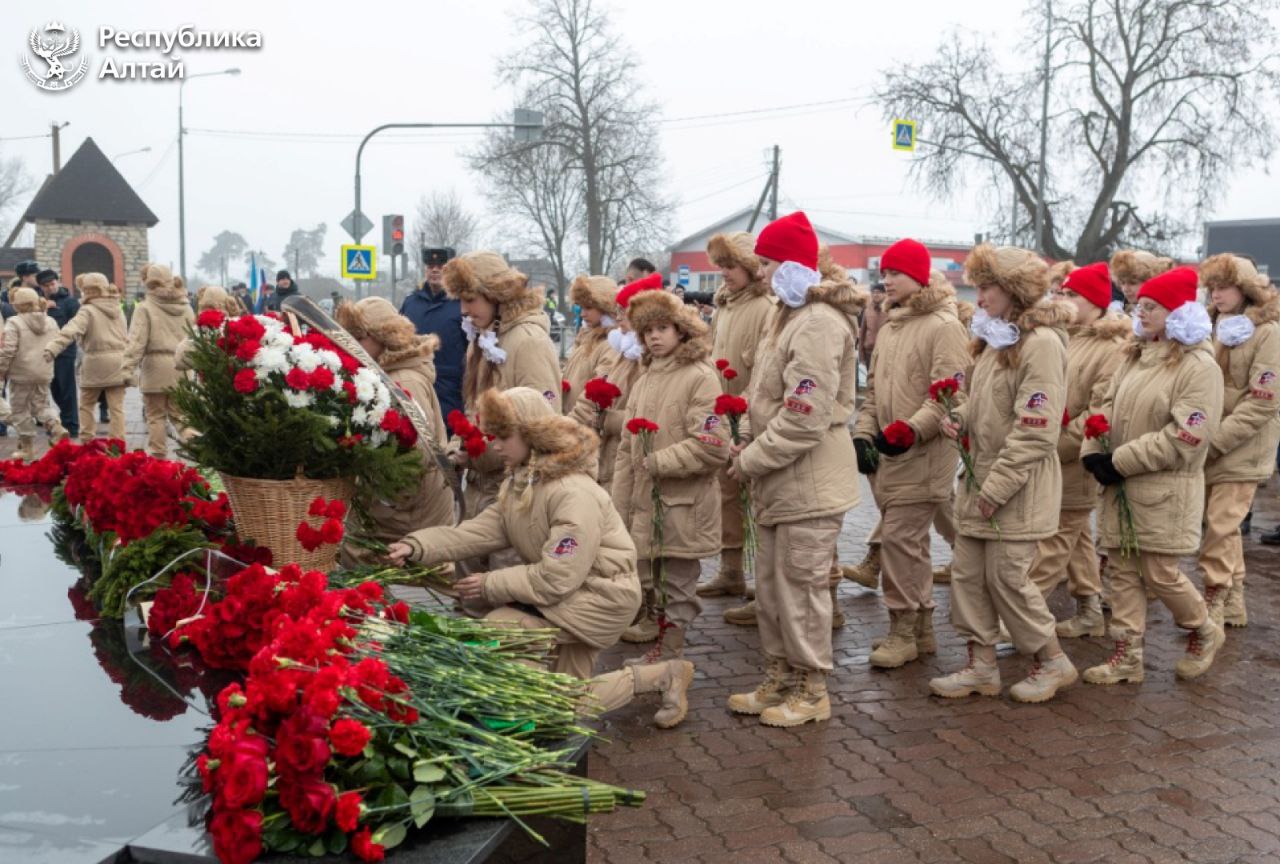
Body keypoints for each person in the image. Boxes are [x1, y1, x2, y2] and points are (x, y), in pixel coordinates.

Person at [386, 386, 695, 729]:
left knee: (503, 628)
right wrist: (416, 546)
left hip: (600, 598)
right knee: (563, 704)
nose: (496, 446)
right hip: (574, 594)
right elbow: (473, 533)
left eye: (504, 436)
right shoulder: (521, 483)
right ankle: (663, 676)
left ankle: (530, 699)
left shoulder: (572, 492)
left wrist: (490, 584)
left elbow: (557, 577)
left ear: (533, 434)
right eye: (493, 436)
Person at [726, 211, 861, 727]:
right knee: (773, 586)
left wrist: (751, 459)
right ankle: (779, 674)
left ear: (792, 265)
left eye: (766, 262)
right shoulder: (786, 315)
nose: (759, 272)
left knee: (802, 590)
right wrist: (742, 438)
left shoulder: (820, 323)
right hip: (779, 480)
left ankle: (812, 688)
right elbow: (762, 397)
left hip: (808, 481)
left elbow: (805, 418)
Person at [933, 244, 1078, 703]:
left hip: (1016, 485)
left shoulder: (1041, 345)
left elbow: (1036, 430)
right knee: (969, 575)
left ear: (1013, 290)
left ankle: (1052, 660)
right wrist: (960, 417)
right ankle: (980, 664)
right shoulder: (997, 341)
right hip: (981, 479)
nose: (979, 297)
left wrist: (995, 488)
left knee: (1009, 579)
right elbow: (986, 407)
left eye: (986, 286)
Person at [1080, 266, 1225, 684]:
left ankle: (1202, 629)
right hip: (1120, 484)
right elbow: (1104, 404)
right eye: (1138, 305)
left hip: (1163, 490)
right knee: (1122, 572)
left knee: (1160, 574)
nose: (1139, 313)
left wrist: (1119, 460)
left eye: (1151, 307)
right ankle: (1127, 656)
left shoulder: (1199, 366)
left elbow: (1187, 436)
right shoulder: (1135, 354)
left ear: (1177, 313)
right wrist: (1094, 447)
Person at [853, 238, 970, 669]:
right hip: (889, 453)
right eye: (884, 273)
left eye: (895, 273)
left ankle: (902, 628)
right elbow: (872, 395)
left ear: (919, 277)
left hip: (924, 453)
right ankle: (922, 629)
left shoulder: (945, 326)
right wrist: (864, 435)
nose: (886, 281)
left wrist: (911, 429)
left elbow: (950, 393)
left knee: (900, 540)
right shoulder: (892, 325)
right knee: (912, 544)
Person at [612, 289, 727, 664]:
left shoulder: (700, 377)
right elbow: (626, 452)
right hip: (646, 504)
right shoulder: (645, 379)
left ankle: (672, 657)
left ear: (681, 329)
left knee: (678, 586)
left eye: (663, 328)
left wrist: (660, 462)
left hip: (683, 504)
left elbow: (712, 444)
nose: (654, 337)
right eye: (647, 331)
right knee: (655, 582)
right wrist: (619, 504)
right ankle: (662, 649)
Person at [1023, 262, 1129, 638]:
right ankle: (1089, 610)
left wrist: (1053, 443)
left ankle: (1021, 613)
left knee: (1055, 537)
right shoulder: (1063, 336)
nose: (1063, 299)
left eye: (1073, 295)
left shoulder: (1113, 347)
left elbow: (1099, 409)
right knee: (1078, 533)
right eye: (1062, 293)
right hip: (1051, 450)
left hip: (1073, 456)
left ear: (1097, 303)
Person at [443, 251, 561, 570]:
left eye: (471, 299)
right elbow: (472, 410)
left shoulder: (527, 342)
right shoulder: (482, 339)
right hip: (481, 484)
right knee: (470, 588)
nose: (464, 310)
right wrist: (460, 446)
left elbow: (543, 422)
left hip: (515, 487)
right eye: (461, 300)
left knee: (503, 592)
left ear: (497, 295)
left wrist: (489, 452)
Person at [335, 297, 455, 564]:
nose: (352, 347)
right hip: (401, 500)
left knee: (427, 570)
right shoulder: (386, 372)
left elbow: (419, 451)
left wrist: (366, 456)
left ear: (380, 337)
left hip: (411, 503)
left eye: (358, 338)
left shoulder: (403, 379)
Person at [1196, 254, 1280, 629]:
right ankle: (1233, 600)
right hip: (1211, 440)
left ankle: (1214, 600)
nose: (1217, 294)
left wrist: (1215, 441)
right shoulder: (1210, 326)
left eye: (1224, 286)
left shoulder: (1269, 333)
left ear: (1244, 289)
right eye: (1212, 287)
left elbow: (1262, 402)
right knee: (1221, 525)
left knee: (1220, 525)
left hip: (1243, 444)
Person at [695, 232, 775, 606]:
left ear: (750, 267)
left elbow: (764, 368)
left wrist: (743, 410)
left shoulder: (766, 308)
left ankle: (763, 578)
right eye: (721, 266)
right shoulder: (724, 307)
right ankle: (730, 572)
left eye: (730, 266)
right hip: (724, 413)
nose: (723, 273)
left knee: (756, 498)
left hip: (750, 416)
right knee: (726, 494)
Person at [43, 273, 130, 442]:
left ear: (85, 290)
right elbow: (125, 335)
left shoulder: (87, 310)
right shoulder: (117, 308)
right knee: (117, 408)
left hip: (95, 362)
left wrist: (53, 347)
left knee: (87, 404)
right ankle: (118, 444)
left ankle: (88, 440)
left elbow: (71, 330)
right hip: (119, 361)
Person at [123, 264, 195, 458]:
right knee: (181, 416)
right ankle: (193, 439)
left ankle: (158, 456)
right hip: (182, 367)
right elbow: (194, 338)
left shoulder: (145, 308)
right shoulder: (187, 307)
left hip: (155, 368)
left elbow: (137, 341)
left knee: (155, 416)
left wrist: (127, 369)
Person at [0, 287, 69, 459]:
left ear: (17, 305)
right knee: (42, 405)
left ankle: (27, 448)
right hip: (44, 372)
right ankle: (56, 426)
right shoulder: (51, 321)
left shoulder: (14, 322)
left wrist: (1, 369)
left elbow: (8, 350)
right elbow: (58, 343)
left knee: (19, 410)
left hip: (21, 374)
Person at [401, 248, 466, 419]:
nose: (435, 270)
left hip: (449, 389)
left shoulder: (461, 304)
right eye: (430, 266)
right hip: (414, 384)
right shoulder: (411, 302)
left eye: (440, 266)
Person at [561, 274, 618, 415]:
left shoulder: (611, 344)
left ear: (605, 307)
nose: (582, 314)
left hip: (582, 426)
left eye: (588, 308)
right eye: (581, 307)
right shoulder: (587, 337)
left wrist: (571, 422)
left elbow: (595, 397)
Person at [38, 269, 80, 438]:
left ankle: (72, 425)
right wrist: (43, 309)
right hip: (46, 354)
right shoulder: (39, 303)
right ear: (41, 287)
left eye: (52, 283)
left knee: (67, 389)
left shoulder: (70, 303)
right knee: (54, 389)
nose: (50, 287)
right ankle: (63, 420)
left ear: (58, 282)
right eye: (46, 285)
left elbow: (75, 328)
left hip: (65, 353)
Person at [1110, 250, 1174, 311]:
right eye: (1122, 283)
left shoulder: (1165, 316)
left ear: (1151, 281)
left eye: (1133, 283)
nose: (1125, 289)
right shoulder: (1121, 312)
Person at [859, 282, 887, 369]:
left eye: (878, 292)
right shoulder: (867, 310)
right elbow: (862, 333)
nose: (875, 294)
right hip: (869, 352)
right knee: (870, 380)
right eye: (873, 292)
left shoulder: (890, 309)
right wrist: (861, 355)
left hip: (885, 352)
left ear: (884, 294)